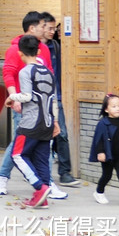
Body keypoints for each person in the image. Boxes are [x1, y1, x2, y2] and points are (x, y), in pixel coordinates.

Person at [0, 11, 66, 199]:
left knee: (44, 146)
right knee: (17, 147)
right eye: (43, 26)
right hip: (25, 108)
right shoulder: (15, 49)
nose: (46, 29)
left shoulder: (44, 49)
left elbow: (50, 77)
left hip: (45, 110)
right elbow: (8, 73)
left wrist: (54, 113)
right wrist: (14, 97)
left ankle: (46, 183)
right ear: (32, 28)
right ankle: (3, 177)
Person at [7, 34, 59, 208]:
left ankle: (39, 187)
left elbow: (27, 96)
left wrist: (11, 97)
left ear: (20, 53)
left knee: (17, 155)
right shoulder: (49, 73)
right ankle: (42, 198)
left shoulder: (25, 71)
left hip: (30, 123)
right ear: (38, 51)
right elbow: (53, 100)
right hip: (48, 123)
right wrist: (56, 123)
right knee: (41, 159)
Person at [41, 13, 81, 187]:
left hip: (56, 97)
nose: (52, 31)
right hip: (37, 100)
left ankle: (65, 172)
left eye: (54, 28)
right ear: (39, 27)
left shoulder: (56, 47)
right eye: (49, 28)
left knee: (62, 134)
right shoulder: (32, 48)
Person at [89, 94, 119, 206]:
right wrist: (101, 152)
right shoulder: (103, 123)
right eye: (114, 106)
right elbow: (99, 139)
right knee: (107, 175)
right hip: (108, 155)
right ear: (106, 109)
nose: (118, 108)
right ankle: (99, 192)